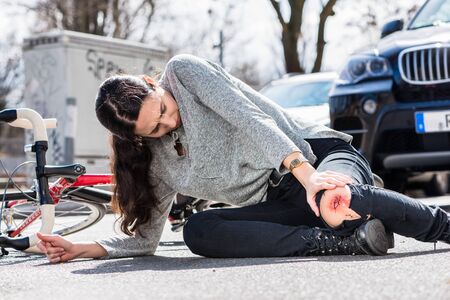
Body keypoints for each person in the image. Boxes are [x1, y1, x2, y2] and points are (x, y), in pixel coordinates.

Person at [36, 54, 450, 263]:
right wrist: (85, 247)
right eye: (155, 129)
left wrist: (308, 178)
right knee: (199, 230)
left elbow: (250, 119)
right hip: (279, 201)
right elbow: (146, 238)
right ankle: (338, 240)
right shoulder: (156, 160)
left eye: (162, 109)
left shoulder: (184, 73)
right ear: (137, 139)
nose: (168, 122)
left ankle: (440, 226)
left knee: (335, 197)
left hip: (314, 157)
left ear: (152, 83)